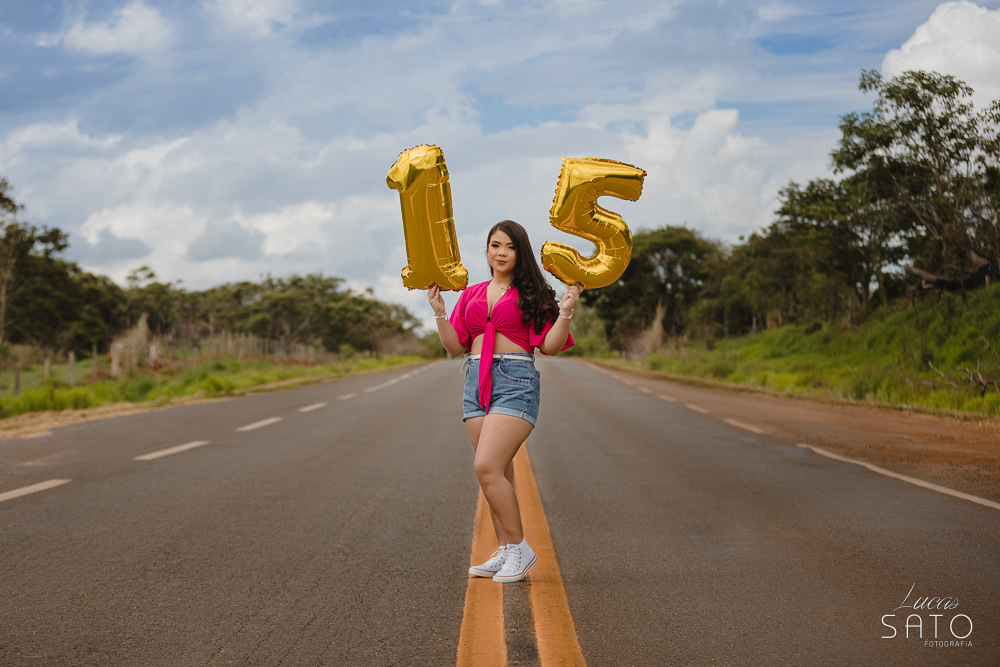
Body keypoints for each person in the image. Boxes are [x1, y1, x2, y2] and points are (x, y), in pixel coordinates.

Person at [428, 220, 581, 583]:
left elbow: (551, 347)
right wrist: (438, 310)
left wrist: (566, 309)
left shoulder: (535, 293)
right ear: (486, 250)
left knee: (486, 467)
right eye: (494, 245)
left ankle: (520, 549)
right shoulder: (472, 293)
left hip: (515, 379)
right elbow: (455, 346)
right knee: (501, 471)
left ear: (520, 252)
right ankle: (505, 550)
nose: (500, 253)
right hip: (475, 378)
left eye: (509, 247)